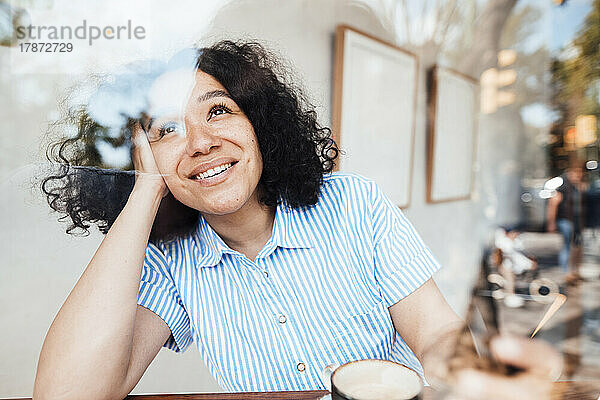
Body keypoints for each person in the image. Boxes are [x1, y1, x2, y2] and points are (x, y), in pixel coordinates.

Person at [34, 41, 561, 399]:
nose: (200, 142)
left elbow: (434, 330)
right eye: (167, 130)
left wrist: (473, 374)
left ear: (260, 123)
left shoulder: (352, 204)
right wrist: (145, 186)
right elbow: (68, 393)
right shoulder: (169, 262)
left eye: (217, 111)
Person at [546, 162, 587, 284]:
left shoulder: (577, 187)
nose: (578, 176)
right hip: (565, 220)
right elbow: (553, 204)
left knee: (577, 247)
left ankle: (575, 272)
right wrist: (551, 222)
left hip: (576, 221)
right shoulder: (563, 186)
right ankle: (566, 273)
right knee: (567, 247)